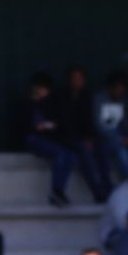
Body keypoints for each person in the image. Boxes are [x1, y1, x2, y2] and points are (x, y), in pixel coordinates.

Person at [25, 73, 89, 207]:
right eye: (38, 89)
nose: (40, 92)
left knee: (70, 156)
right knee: (61, 154)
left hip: (52, 140)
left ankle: (59, 190)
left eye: (43, 89)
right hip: (34, 140)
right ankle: (56, 191)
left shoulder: (54, 103)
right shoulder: (30, 104)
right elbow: (34, 126)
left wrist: (50, 126)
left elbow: (58, 124)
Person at [56, 66, 111, 202]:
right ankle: (97, 191)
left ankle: (107, 186)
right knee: (84, 152)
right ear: (69, 80)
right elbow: (63, 123)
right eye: (74, 78)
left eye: (80, 78)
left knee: (102, 147)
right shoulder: (61, 96)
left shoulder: (86, 96)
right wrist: (83, 140)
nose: (77, 81)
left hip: (84, 138)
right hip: (65, 138)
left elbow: (88, 121)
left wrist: (89, 138)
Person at [94, 70, 128, 182]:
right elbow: (100, 128)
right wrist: (123, 140)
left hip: (123, 139)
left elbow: (126, 123)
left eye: (123, 88)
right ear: (111, 87)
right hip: (105, 140)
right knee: (122, 152)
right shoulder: (99, 99)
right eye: (118, 88)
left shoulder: (123, 100)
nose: (121, 91)